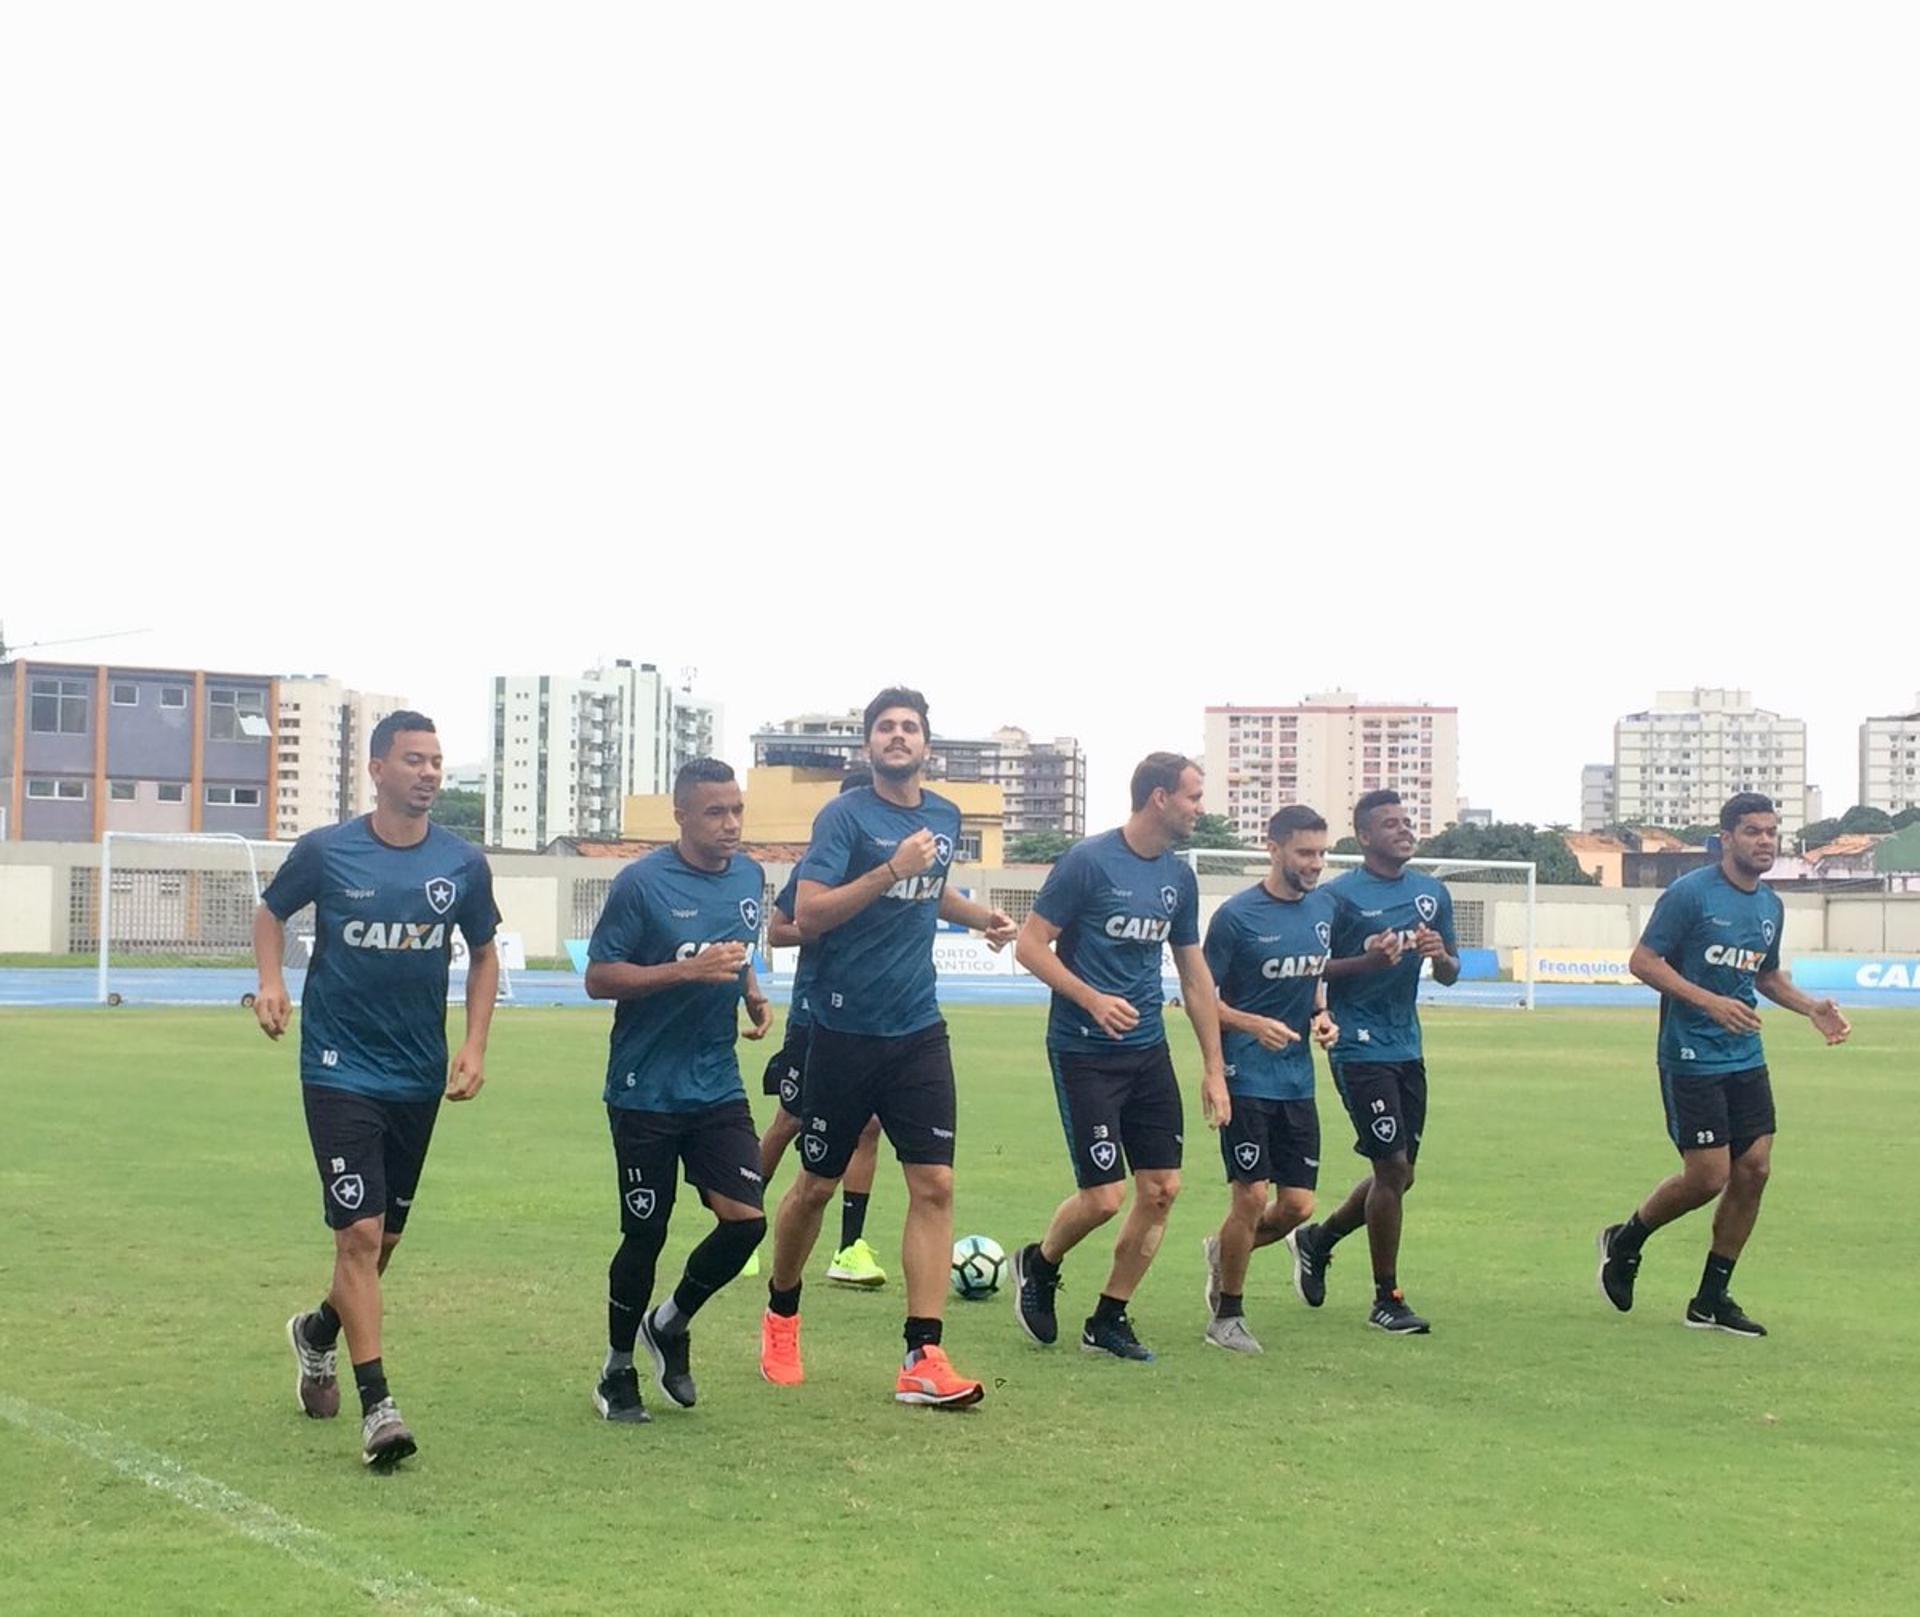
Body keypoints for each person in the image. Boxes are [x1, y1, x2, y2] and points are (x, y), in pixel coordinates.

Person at [256, 710, 500, 1469]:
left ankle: (318, 1332)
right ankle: (379, 1406)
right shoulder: (329, 851)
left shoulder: (461, 863)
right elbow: (270, 912)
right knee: (358, 1235)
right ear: (377, 768)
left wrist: (474, 1043)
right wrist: (270, 982)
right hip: (336, 1065)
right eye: (414, 759)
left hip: (416, 1073)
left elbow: (485, 953)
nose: (428, 772)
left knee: (382, 1242)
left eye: (436, 760)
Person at [759, 686, 1015, 1406]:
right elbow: (806, 914)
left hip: (917, 1030)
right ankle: (781, 1311)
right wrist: (888, 869)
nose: (897, 736)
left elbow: (931, 892)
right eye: (885, 727)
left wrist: (978, 916)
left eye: (909, 727)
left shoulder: (943, 814)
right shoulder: (843, 817)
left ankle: (922, 1353)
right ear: (868, 745)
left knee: (934, 1183)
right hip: (841, 1032)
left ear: (926, 745)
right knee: (814, 1187)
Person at [1597, 792, 1850, 1336]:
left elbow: (1765, 976)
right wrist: (1707, 1001)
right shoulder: (1690, 895)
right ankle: (1626, 1241)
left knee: (1755, 1170)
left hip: (1745, 1056)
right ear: (1728, 837)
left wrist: (1812, 1007)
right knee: (1708, 1177)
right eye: (1754, 831)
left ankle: (1711, 1298)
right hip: (1691, 1055)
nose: (1765, 842)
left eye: (1772, 832)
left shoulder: (1769, 906)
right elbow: (1643, 961)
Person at [1009, 752, 1229, 1362]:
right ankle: (1040, 1262)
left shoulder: (1179, 879)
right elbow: (1029, 947)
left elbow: (1193, 975)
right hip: (1083, 1051)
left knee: (1162, 1190)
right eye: (1193, 796)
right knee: (1104, 1198)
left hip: (1147, 1052)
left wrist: (1213, 1069)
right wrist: (1091, 998)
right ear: (1159, 798)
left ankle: (1108, 1317)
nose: (1199, 808)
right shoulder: (1087, 862)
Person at [583, 759, 773, 1422]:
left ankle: (669, 1321)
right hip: (644, 1087)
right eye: (715, 812)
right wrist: (684, 971)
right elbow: (599, 977)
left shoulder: (750, 875)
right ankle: (617, 1369)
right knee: (646, 1232)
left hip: (715, 1081)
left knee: (747, 1221)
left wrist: (750, 991)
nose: (730, 824)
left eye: (737, 810)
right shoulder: (641, 885)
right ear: (682, 814)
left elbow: (740, 948)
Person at [1288, 789, 1457, 1335]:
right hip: (1357, 1044)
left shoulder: (1431, 894)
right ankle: (1388, 1297)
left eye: (1407, 822)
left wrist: (1440, 957)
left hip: (1407, 1043)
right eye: (1390, 823)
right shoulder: (1337, 898)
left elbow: (1451, 972)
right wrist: (1367, 959)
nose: (1404, 830)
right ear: (1363, 837)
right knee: (1392, 1168)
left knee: (1400, 1173)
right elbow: (1312, 969)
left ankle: (1318, 1239)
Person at [1198, 805, 1340, 1353]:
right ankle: (1227, 1318)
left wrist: (1322, 1018)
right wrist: (1248, 1023)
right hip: (1245, 1076)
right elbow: (1199, 999)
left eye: (1322, 854)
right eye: (1306, 853)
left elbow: (1315, 982)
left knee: (1299, 1207)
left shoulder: (1323, 910)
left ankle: (1223, 1252)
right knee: (1251, 1197)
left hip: (1297, 1081)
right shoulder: (1236, 918)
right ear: (1274, 849)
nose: (1316, 864)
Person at [758, 768, 888, 1288]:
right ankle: (739, 1224)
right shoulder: (821, 866)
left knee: (869, 1126)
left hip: (875, 1021)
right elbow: (780, 930)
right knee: (790, 1120)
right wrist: (831, 921)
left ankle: (849, 1248)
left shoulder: (899, 868)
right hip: (817, 1017)